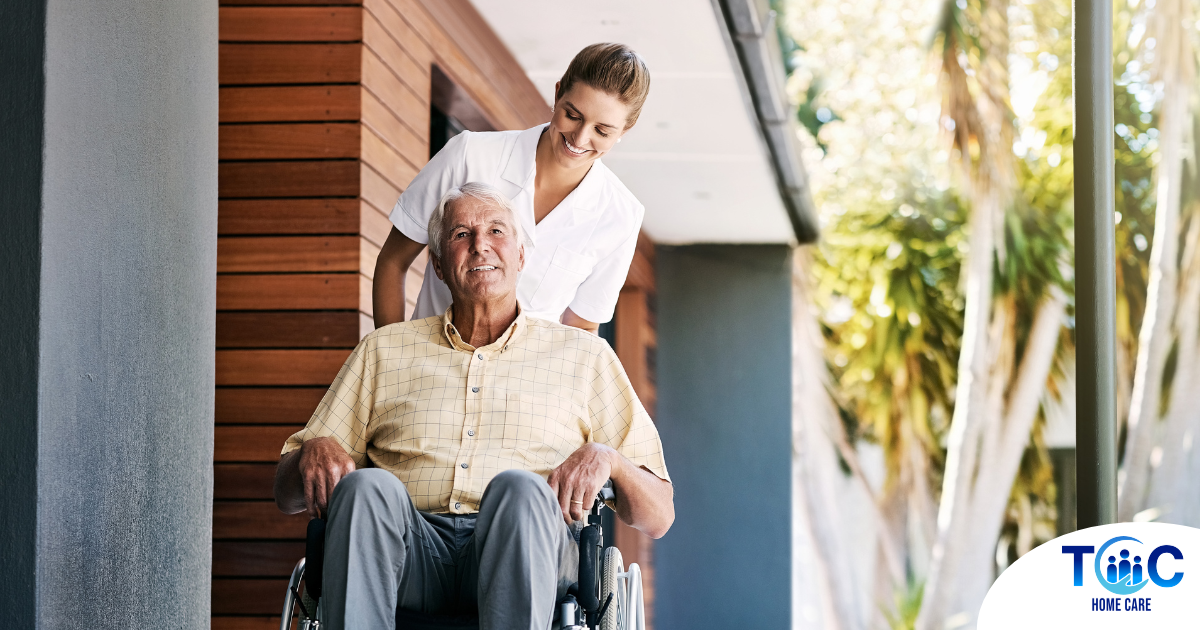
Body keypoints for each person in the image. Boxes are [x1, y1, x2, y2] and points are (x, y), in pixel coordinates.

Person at [275, 183, 674, 630]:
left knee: (521, 491)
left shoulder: (586, 357)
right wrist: (311, 452)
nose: (480, 243)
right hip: (409, 553)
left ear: (521, 257)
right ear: (440, 266)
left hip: (525, 547)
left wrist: (611, 460)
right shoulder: (383, 351)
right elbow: (287, 494)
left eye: (496, 231)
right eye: (461, 234)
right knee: (367, 490)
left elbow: (659, 515)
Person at [373, 43, 651, 334]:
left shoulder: (621, 216)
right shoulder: (469, 155)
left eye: (602, 131)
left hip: (528, 378)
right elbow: (394, 261)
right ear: (557, 94)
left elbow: (580, 329)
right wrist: (392, 363)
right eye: (573, 115)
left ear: (624, 131)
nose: (580, 138)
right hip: (429, 371)